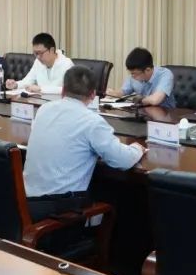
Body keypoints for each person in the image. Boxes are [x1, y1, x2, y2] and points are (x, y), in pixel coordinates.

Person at [23, 66, 146, 219]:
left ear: (63, 90)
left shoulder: (43, 110)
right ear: (93, 95)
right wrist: (137, 149)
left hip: (27, 202)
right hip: (60, 210)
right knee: (114, 196)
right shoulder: (91, 121)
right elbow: (122, 160)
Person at [105, 48, 175, 108]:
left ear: (147, 70)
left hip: (166, 114)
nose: (132, 76)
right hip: (143, 113)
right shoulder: (134, 76)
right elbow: (122, 92)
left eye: (134, 73)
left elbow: (155, 100)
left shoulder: (165, 74)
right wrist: (112, 93)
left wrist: (140, 100)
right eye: (131, 73)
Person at [5, 32, 73, 95]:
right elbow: (28, 80)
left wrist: (41, 89)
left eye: (40, 53)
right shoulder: (38, 62)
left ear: (52, 50)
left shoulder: (67, 64)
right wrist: (16, 85)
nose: (38, 57)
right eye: (35, 53)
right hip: (40, 100)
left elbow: (68, 90)